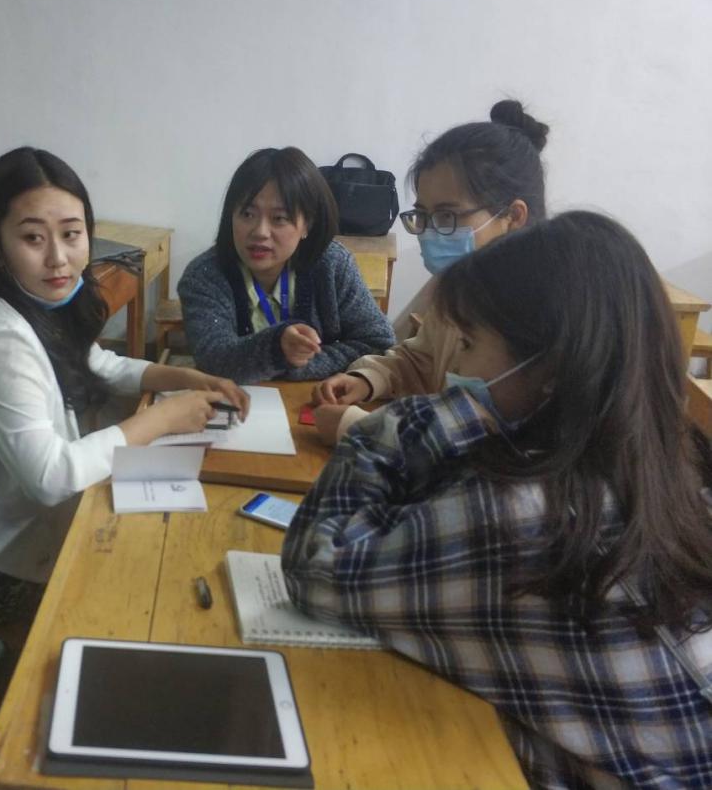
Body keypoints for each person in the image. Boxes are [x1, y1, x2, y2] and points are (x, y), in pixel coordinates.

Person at [283, 211, 712, 788]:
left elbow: (316, 570)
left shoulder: (525, 514)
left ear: (550, 367)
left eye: (468, 343)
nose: (455, 367)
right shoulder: (669, 470)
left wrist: (389, 427)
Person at [0, 147, 248, 630]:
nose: (58, 258)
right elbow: (50, 477)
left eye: (71, 234)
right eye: (33, 238)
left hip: (6, 528)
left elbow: (95, 361)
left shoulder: (36, 295)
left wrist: (179, 376)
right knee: (145, 592)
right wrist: (161, 418)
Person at [312, 101, 548, 443]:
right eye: (422, 215)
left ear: (513, 216)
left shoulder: (541, 316)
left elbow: (492, 436)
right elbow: (420, 359)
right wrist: (368, 380)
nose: (430, 231)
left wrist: (358, 427)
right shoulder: (459, 289)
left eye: (447, 215)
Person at [177, 146, 394, 384]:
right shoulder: (204, 275)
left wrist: (303, 363)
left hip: (315, 400)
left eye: (279, 218)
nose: (260, 232)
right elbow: (213, 358)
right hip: (235, 401)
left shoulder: (332, 265)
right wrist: (277, 349)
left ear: (307, 224)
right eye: (247, 214)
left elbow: (378, 343)